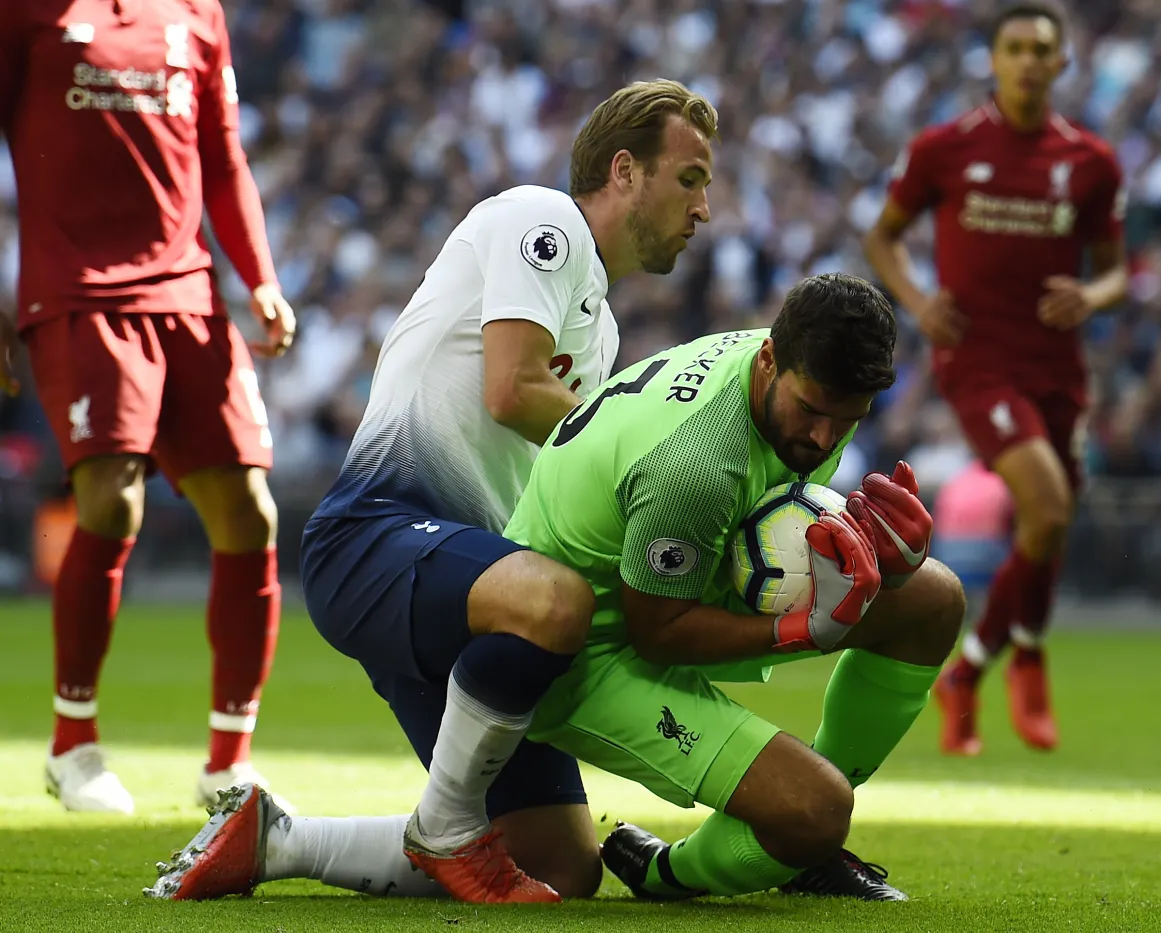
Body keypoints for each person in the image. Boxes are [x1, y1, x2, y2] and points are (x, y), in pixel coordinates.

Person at [151, 79, 718, 905]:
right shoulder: (542, 219)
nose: (704, 209)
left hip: (474, 588)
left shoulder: (603, 335)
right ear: (624, 171)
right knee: (553, 599)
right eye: (692, 179)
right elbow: (513, 388)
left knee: (561, 866)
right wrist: (662, 459)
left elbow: (555, 485)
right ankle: (447, 824)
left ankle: (276, 837)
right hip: (376, 536)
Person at [505, 272, 965, 901]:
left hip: (686, 578)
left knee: (932, 599)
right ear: (770, 360)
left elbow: (767, 516)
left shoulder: (803, 370)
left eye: (848, 419)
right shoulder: (696, 466)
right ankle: (668, 871)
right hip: (581, 648)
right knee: (816, 812)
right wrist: (805, 626)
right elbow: (658, 635)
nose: (824, 438)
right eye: (811, 412)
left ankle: (797, 837)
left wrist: (878, 557)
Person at [0, 0, 296, 813]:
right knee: (112, 494)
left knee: (250, 511)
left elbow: (222, 154)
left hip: (191, 294)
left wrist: (260, 277)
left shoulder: (198, 12)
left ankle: (229, 762)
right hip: (80, 293)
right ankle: (73, 745)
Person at [862, 1, 1128, 756]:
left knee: (1053, 524)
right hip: (978, 361)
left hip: (1057, 365)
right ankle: (997, 664)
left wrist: (1091, 296)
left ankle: (1002, 658)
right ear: (993, 58)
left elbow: (1114, 275)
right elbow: (882, 237)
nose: (1028, 60)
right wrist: (917, 301)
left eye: (1042, 49)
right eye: (1015, 47)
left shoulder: (1091, 163)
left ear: (1062, 63)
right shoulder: (945, 149)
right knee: (1043, 510)